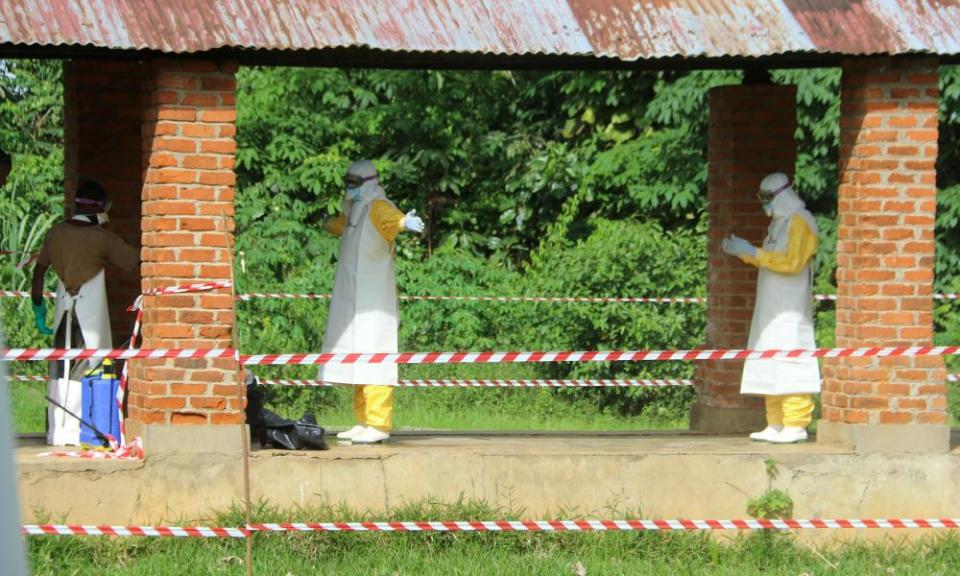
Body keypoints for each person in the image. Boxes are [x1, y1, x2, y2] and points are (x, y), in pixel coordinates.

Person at [319, 160, 423, 445]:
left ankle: (379, 423)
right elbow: (340, 226)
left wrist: (405, 222)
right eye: (347, 181)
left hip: (374, 301)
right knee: (356, 357)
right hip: (352, 298)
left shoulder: (377, 206)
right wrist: (328, 223)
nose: (349, 187)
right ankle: (363, 420)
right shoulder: (354, 209)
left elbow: (392, 219)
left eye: (355, 183)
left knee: (375, 355)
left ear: (368, 182)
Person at [31, 180, 139, 445]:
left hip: (63, 311)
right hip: (90, 311)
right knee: (90, 365)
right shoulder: (101, 237)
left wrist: (37, 307)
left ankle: (58, 432)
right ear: (100, 208)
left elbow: (39, 272)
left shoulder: (56, 233)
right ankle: (81, 430)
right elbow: (134, 261)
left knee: (60, 365)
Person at [721, 172, 821, 444]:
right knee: (770, 360)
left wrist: (753, 252)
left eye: (767, 199)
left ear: (782, 196)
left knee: (791, 362)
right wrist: (742, 252)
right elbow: (770, 260)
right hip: (772, 308)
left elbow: (792, 262)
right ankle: (775, 423)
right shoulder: (780, 224)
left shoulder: (801, 222)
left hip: (790, 310)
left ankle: (796, 424)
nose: (764, 205)